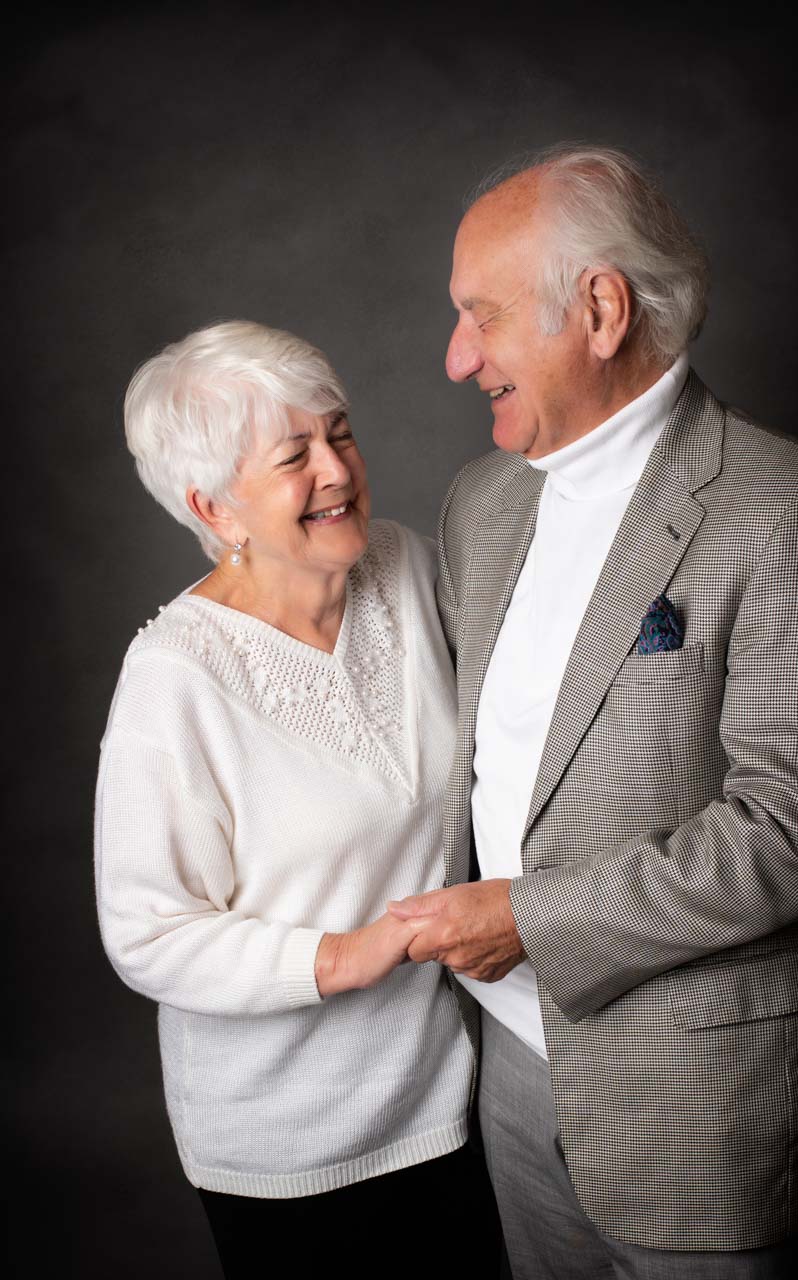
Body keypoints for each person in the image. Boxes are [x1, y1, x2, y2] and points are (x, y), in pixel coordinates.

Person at [389, 145, 798, 1278]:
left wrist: (532, 920)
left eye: (479, 318)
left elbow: (796, 827)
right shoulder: (480, 503)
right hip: (506, 1074)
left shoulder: (787, 506)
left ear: (598, 308)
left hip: (699, 1102)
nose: (456, 359)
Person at [94, 320, 497, 1279]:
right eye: (293, 456)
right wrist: (344, 957)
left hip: (445, 1095)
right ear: (214, 508)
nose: (337, 468)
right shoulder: (173, 678)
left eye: (340, 431)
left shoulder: (401, 567)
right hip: (286, 1145)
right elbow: (145, 932)